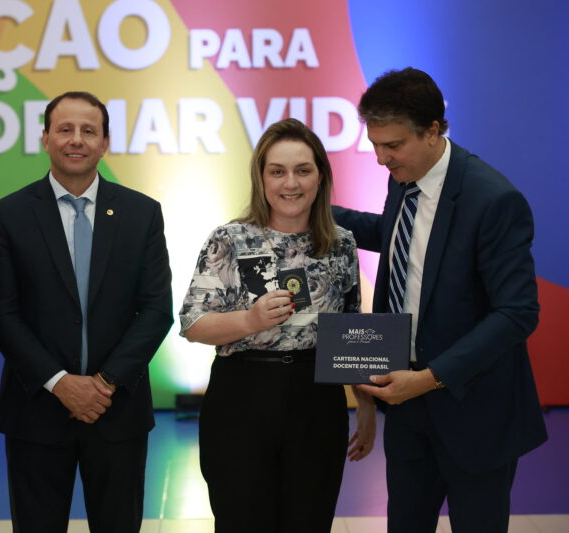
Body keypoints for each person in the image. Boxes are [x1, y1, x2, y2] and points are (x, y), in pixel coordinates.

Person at [333, 67, 547, 533]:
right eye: (375, 145)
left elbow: (517, 313)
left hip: (475, 409)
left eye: (393, 145)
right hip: (406, 407)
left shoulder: (493, 200)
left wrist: (428, 379)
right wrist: (315, 214)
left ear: (432, 131)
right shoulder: (404, 176)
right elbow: (399, 237)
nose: (381, 159)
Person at [0, 90, 173, 533]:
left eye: (89, 131)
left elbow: (156, 309)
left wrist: (104, 383)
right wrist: (60, 383)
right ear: (45, 138)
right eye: (65, 129)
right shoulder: (9, 215)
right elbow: (1, 314)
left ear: (104, 143)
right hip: (36, 412)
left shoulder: (142, 213)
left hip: (117, 410)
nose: (76, 139)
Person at [179, 118, 376, 532]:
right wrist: (249, 320)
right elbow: (193, 324)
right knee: (241, 520)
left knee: (310, 519)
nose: (291, 183)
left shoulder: (341, 242)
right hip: (241, 395)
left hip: (317, 399)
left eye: (303, 170)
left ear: (320, 177)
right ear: (261, 178)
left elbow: (350, 329)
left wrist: (366, 403)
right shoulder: (229, 239)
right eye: (278, 171)